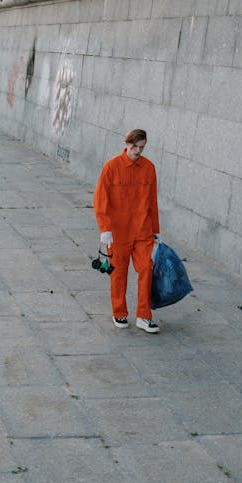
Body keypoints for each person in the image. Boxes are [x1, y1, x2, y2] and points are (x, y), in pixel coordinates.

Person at [93, 128, 161, 334]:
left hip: (143, 231)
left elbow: (152, 202)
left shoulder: (149, 168)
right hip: (118, 233)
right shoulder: (112, 167)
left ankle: (144, 316)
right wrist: (105, 228)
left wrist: (156, 231)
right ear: (127, 144)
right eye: (135, 147)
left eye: (142, 147)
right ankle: (119, 312)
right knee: (119, 273)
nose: (138, 151)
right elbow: (100, 199)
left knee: (147, 269)